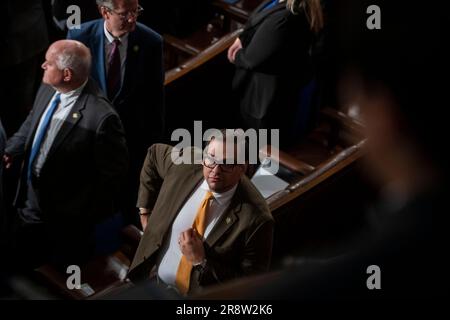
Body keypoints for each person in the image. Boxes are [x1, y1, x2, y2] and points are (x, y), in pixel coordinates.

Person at [3, 40, 128, 270]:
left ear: (67, 74)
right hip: (26, 200)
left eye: (48, 64)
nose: (42, 66)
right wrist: (11, 150)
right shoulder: (49, 86)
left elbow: (113, 181)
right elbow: (34, 120)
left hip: (59, 223)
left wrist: (76, 214)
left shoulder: (101, 118)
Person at [127, 131, 274, 296]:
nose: (215, 170)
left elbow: (250, 287)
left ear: (242, 168)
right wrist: (145, 211)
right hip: (152, 284)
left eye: (226, 164)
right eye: (211, 159)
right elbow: (154, 154)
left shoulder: (257, 219)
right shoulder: (186, 163)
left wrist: (201, 261)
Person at [67, 0, 165, 225]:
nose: (132, 19)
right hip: (88, 138)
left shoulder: (151, 42)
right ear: (104, 12)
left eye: (135, 12)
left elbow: (155, 101)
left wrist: (154, 149)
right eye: (124, 14)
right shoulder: (78, 37)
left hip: (129, 140)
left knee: (123, 203)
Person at [228, 0, 323, 146]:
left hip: (264, 102)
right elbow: (256, 21)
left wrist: (237, 55)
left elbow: (252, 59)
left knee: (254, 151)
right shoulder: (279, 2)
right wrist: (242, 38)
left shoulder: (285, 18)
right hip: (262, 90)